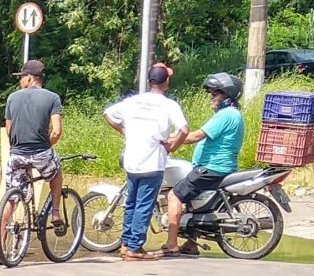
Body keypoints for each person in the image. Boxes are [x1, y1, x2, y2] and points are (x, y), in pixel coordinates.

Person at [102, 63, 188, 260]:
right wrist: (172, 146)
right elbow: (183, 130)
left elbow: (107, 113)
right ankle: (134, 248)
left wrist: (124, 130)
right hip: (153, 161)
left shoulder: (133, 102)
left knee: (131, 202)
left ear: (150, 81)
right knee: (144, 204)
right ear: (166, 82)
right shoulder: (169, 105)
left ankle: (125, 244)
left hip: (132, 160)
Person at [163, 72, 246, 258]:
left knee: (174, 196)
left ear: (226, 95)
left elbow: (194, 136)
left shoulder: (226, 115)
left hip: (212, 167)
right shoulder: (233, 114)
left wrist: (165, 141)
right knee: (195, 204)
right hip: (218, 167)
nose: (211, 99)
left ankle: (171, 244)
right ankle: (191, 244)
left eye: (214, 95)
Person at [0, 58, 65, 220]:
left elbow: (9, 130)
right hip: (41, 152)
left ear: (30, 78)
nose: (20, 80)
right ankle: (55, 213)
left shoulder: (12, 98)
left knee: (11, 197)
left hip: (16, 155)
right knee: (56, 173)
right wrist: (44, 145)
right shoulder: (53, 98)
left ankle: (1, 240)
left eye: (22, 76)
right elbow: (56, 132)